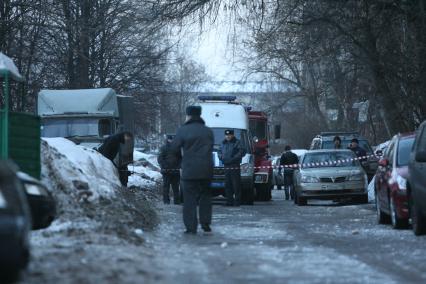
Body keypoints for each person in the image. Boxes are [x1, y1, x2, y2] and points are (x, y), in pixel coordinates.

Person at [170, 106, 214, 234]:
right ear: (200, 115)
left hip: (189, 170)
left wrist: (179, 162)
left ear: (188, 115)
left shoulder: (183, 130)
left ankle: (191, 226)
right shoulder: (208, 131)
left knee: (189, 199)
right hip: (206, 169)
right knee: (205, 197)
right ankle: (205, 223)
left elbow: (174, 149)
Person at [219, 129, 246, 207]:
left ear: (232, 135)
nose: (228, 136)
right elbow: (219, 151)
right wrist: (221, 157)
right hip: (226, 165)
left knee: (236, 184)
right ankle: (229, 201)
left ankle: (237, 201)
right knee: (228, 184)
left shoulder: (237, 142)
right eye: (226, 135)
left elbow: (242, 152)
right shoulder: (223, 143)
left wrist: (233, 159)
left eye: (229, 135)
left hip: (234, 165)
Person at [158, 134, 181, 204]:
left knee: (175, 187)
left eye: (172, 139)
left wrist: (178, 167)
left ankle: (175, 201)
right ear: (168, 139)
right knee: (167, 187)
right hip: (167, 171)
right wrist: (165, 166)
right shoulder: (164, 148)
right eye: (170, 139)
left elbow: (181, 159)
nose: (171, 140)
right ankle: (167, 201)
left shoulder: (178, 148)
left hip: (174, 171)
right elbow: (160, 159)